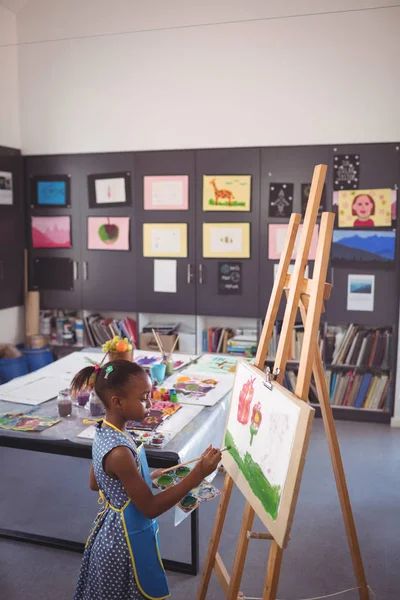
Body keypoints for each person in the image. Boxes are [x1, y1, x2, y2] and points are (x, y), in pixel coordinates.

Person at [71, 359, 221, 600]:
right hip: (124, 544)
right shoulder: (119, 452)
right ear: (117, 402)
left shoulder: (104, 430)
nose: (150, 403)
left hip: (109, 532)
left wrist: (144, 477)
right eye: (143, 398)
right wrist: (197, 475)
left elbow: (96, 482)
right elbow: (150, 508)